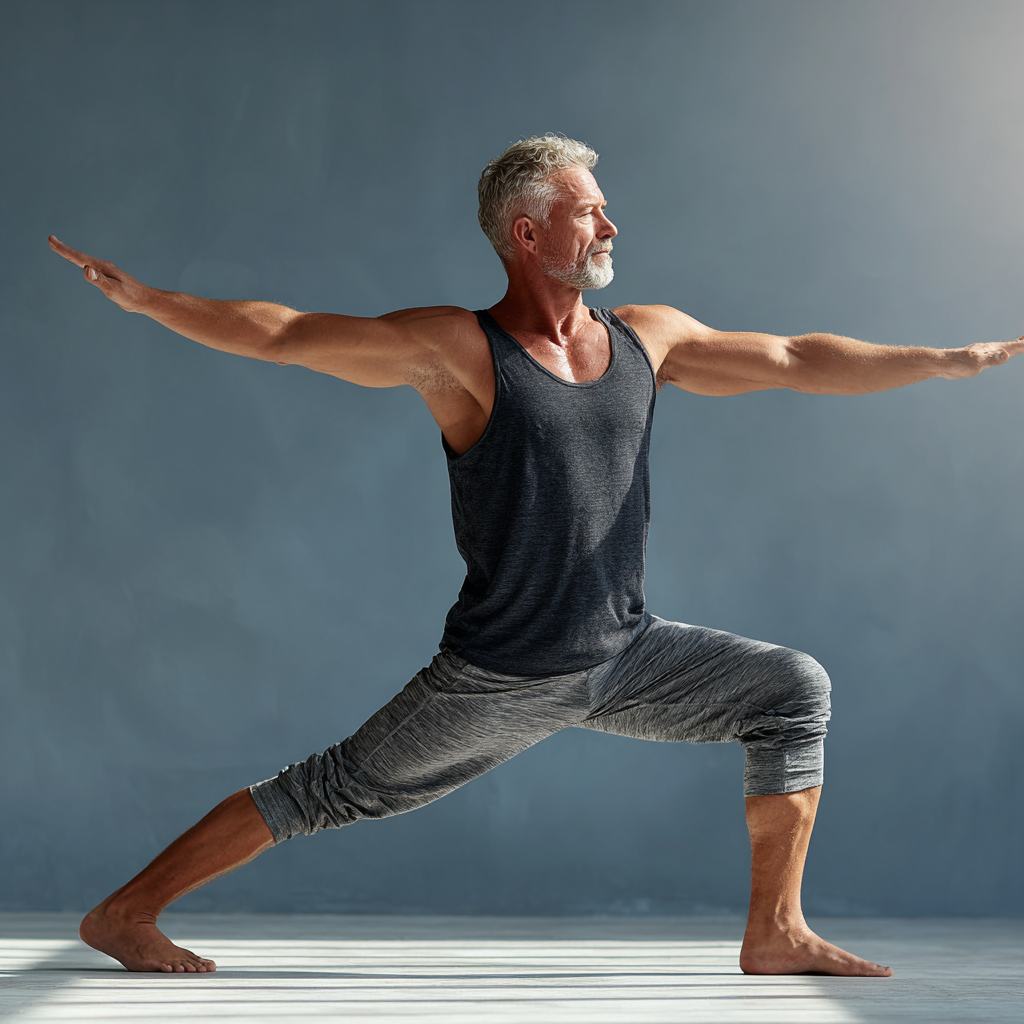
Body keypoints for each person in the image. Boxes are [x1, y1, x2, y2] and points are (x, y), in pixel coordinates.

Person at [50, 135, 1021, 978]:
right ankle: (123, 913)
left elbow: (795, 359)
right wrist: (151, 303)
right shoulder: (460, 351)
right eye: (588, 213)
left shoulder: (650, 339)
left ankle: (774, 931)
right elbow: (291, 333)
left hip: (626, 655)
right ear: (527, 233)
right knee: (325, 790)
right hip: (499, 674)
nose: (609, 228)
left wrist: (944, 360)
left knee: (787, 689)